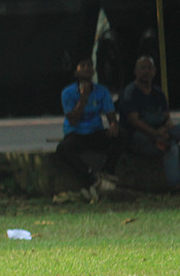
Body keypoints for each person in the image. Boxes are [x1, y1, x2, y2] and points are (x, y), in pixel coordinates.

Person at [55, 58, 122, 199]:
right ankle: (90, 177)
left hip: (95, 132)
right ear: (76, 72)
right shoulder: (67, 92)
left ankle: (108, 172)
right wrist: (83, 97)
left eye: (90, 65)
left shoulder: (102, 91)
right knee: (63, 149)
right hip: (76, 133)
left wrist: (113, 125)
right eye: (83, 66)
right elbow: (73, 119)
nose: (87, 68)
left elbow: (110, 115)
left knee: (122, 136)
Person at [118, 55, 180, 191]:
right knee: (171, 148)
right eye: (143, 68)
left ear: (154, 71)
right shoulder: (130, 93)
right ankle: (175, 185)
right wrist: (156, 133)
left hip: (160, 133)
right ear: (135, 71)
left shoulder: (158, 93)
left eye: (149, 68)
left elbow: (166, 117)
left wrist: (167, 127)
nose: (146, 71)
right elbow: (134, 120)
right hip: (139, 138)